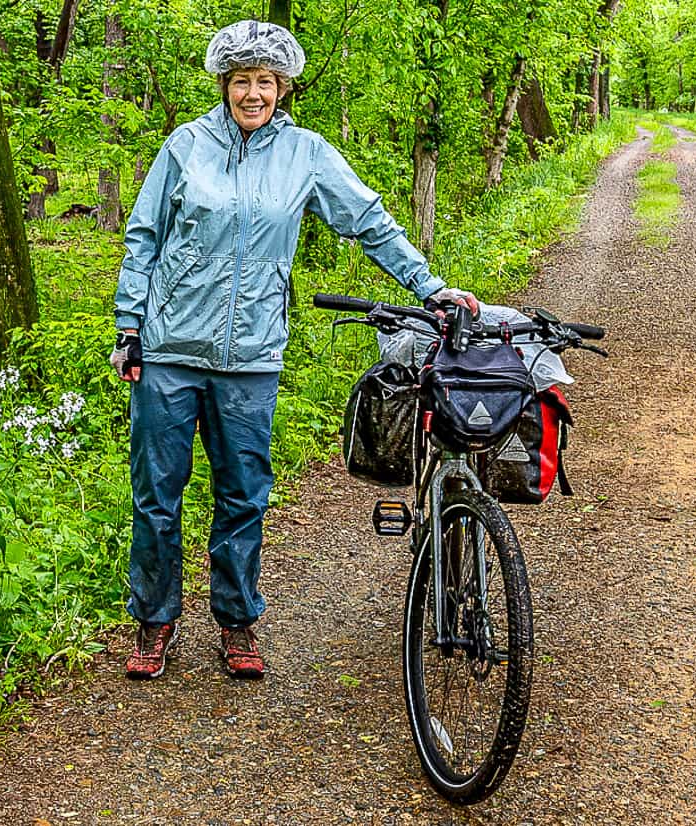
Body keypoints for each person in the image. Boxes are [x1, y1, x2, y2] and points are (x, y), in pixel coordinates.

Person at [110, 20, 478, 680]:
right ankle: (155, 620)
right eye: (242, 81)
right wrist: (129, 328)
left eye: (266, 82)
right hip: (168, 351)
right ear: (224, 85)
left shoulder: (306, 154)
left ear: (282, 88)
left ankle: (237, 620)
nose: (253, 94)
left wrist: (430, 285)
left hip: (251, 358)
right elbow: (143, 238)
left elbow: (369, 220)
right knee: (156, 497)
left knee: (244, 494)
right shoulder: (185, 146)